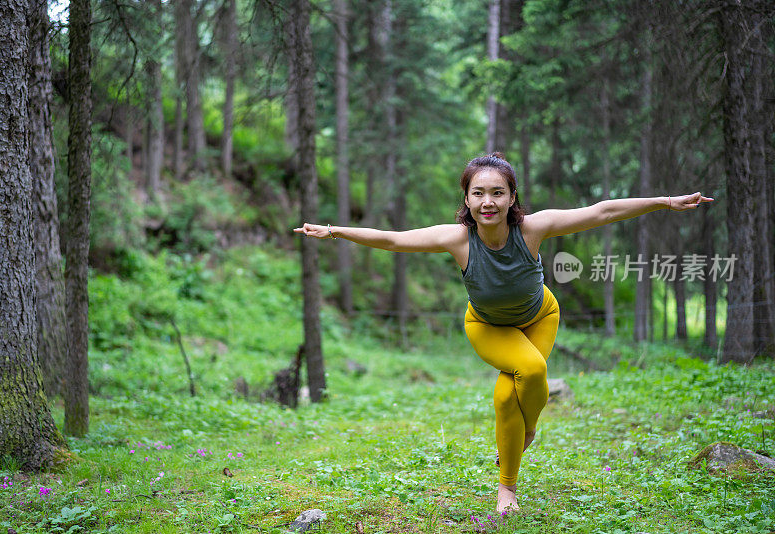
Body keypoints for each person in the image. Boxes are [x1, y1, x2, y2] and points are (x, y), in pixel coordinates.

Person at [293, 152, 713, 513]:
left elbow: (601, 211)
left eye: (497, 192)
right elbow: (394, 239)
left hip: (539, 316)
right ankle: (523, 445)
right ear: (467, 198)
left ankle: (508, 478)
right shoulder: (458, 239)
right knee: (528, 373)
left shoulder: (531, 229)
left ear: (512, 197)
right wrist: (334, 230)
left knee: (508, 393)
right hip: (488, 327)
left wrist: (664, 202)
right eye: (478, 193)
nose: (487, 202)